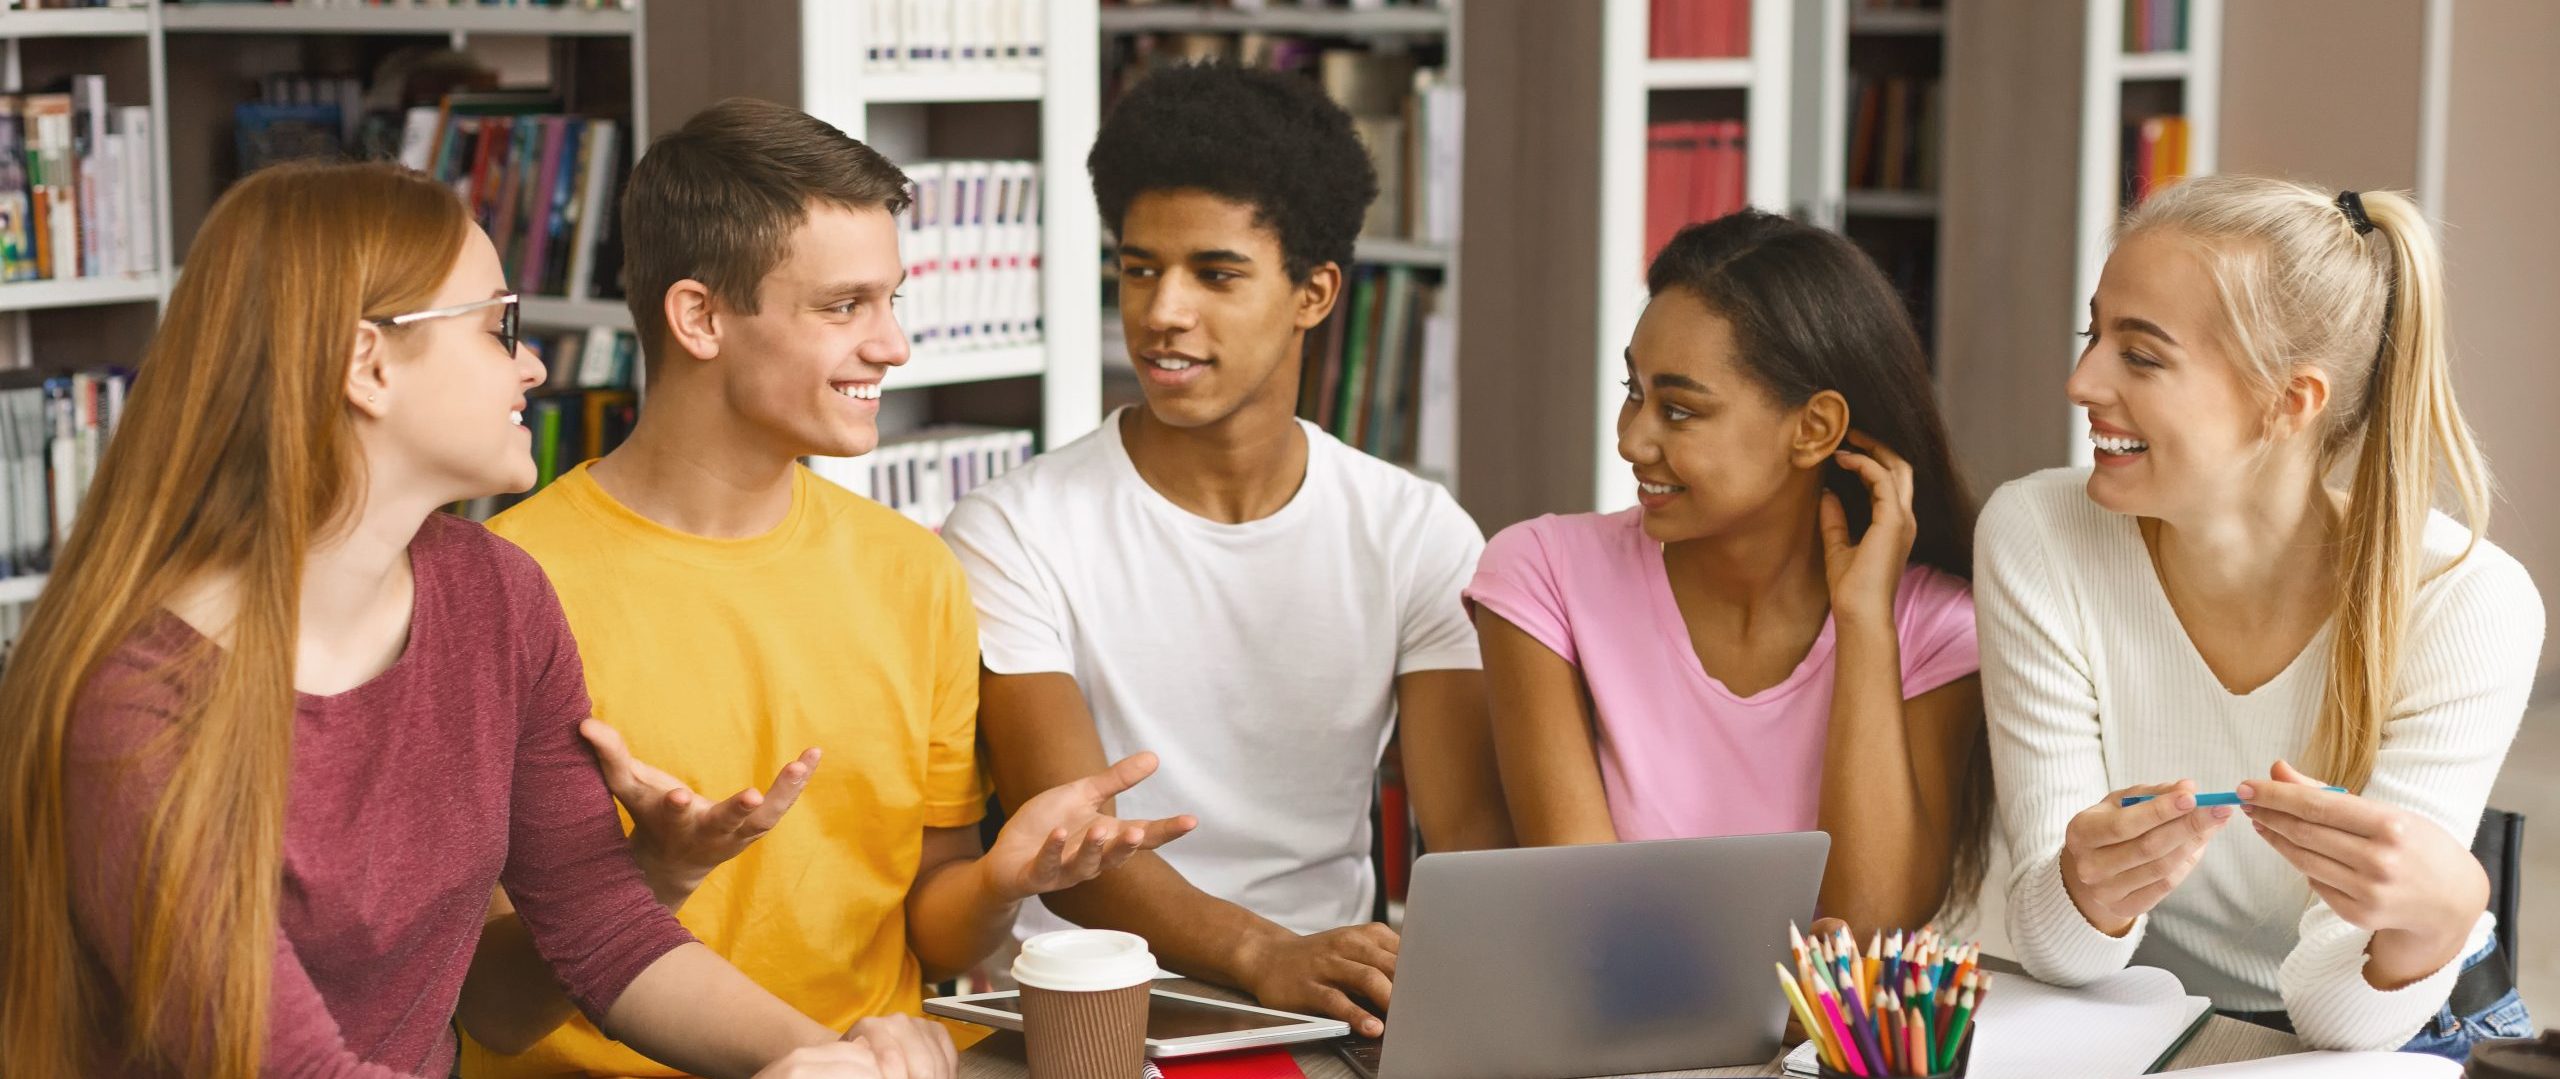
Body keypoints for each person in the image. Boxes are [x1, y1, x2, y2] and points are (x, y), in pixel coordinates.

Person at [0, 161, 922, 1079]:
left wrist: (838, 1057)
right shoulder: (133, 701)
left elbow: (599, 924)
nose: (532, 362)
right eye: (496, 327)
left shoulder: (498, 596)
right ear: (368, 364)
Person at [455, 98, 1193, 1079]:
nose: (893, 345)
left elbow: (932, 924)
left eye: (892, 300)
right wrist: (650, 874)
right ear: (699, 316)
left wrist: (1002, 880)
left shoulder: (914, 570)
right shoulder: (508, 586)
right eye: (844, 306)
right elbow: (490, 1000)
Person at [943, 63, 1507, 1039]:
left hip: (1333, 1005)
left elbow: (1466, 840)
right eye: (1137, 266)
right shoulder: (1012, 527)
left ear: (1314, 292)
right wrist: (1259, 951)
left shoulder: (1416, 532)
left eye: (1215, 273)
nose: (1162, 311)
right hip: (1094, 1006)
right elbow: (1068, 845)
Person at [1980, 176, 2542, 1059]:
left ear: (2291, 401)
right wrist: (2087, 890)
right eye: (2095, 334)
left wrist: (2435, 920)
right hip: (2161, 1024)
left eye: (2142, 355)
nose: (2081, 380)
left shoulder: (2468, 599)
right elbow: (2059, 953)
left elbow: (2338, 1019)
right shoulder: (2038, 535)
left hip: (2412, 1034)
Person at [1467, 211, 1989, 935]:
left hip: (1819, 1054)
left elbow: (1865, 926)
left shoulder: (1936, 628)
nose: (1631, 439)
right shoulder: (1540, 578)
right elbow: (1591, 918)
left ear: (1813, 429)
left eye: (1679, 410)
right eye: (1634, 391)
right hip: (1620, 1045)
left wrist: (1865, 625)